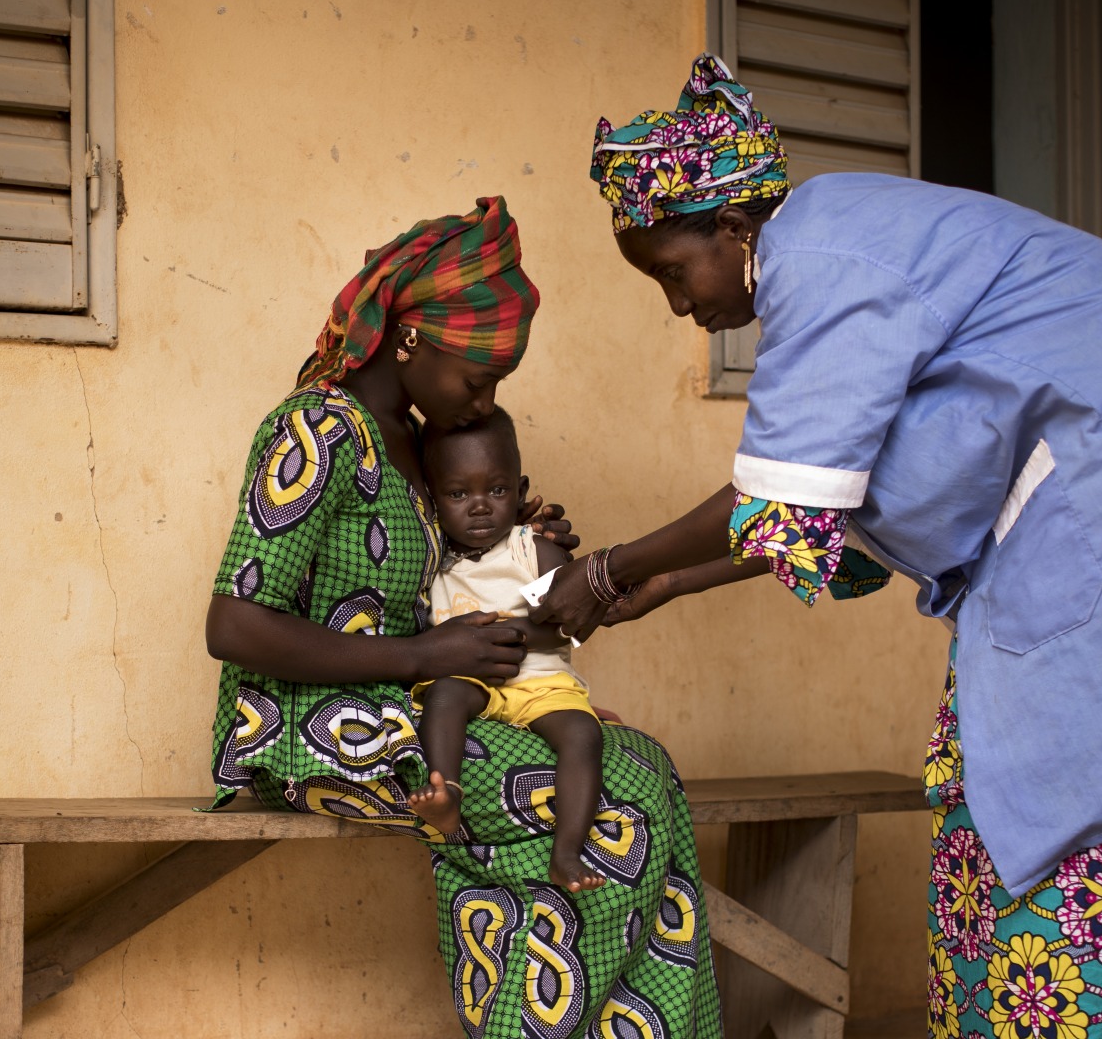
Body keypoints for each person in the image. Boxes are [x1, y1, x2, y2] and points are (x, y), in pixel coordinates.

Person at [533, 56, 1102, 1039]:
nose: (681, 307)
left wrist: (607, 570)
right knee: (1011, 792)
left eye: (674, 275)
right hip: (1097, 515)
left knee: (1091, 811)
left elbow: (780, 492)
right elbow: (833, 504)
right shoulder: (846, 240)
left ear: (732, 230)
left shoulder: (824, 257)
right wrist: (667, 582)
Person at [204, 196, 720, 1038]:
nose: (484, 403)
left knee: (646, 769)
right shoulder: (318, 430)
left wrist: (523, 558)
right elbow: (231, 626)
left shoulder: (415, 444)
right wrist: (419, 655)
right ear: (411, 340)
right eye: (479, 378)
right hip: (305, 723)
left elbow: (446, 602)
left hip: (420, 705)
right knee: (602, 805)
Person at [404, 408, 606, 893]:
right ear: (432, 499)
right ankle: (445, 792)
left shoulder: (533, 550)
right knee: (444, 696)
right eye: (457, 493)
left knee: (582, 733)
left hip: (539, 682)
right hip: (471, 682)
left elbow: (565, 626)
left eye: (495, 491)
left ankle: (567, 853)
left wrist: (503, 636)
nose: (478, 507)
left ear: (519, 493)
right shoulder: (432, 558)